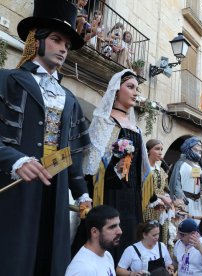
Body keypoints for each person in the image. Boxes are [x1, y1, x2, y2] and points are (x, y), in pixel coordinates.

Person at [0, 1, 91, 275]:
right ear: (35, 40)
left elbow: (71, 153)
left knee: (47, 257)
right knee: (13, 256)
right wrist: (14, 161)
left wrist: (82, 192)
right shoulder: (6, 80)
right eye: (55, 39)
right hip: (13, 187)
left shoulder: (70, 99)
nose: (64, 48)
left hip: (54, 190)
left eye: (66, 43)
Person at [83, 69, 151, 262]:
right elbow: (92, 166)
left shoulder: (135, 127)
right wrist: (114, 168)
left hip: (133, 196)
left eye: (137, 88)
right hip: (111, 195)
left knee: (130, 241)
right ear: (115, 90)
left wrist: (152, 196)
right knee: (113, 244)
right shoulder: (104, 121)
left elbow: (141, 167)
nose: (135, 93)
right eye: (130, 87)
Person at [65, 205, 122, 276]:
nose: (120, 231)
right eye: (112, 227)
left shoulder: (107, 255)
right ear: (94, 232)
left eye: (118, 225)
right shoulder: (82, 269)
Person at [143, 139, 173, 248]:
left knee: (160, 239)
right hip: (147, 208)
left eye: (161, 149)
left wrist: (168, 200)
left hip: (160, 210)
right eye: (157, 149)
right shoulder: (144, 169)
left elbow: (165, 188)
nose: (160, 152)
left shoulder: (161, 170)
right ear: (148, 151)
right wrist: (161, 198)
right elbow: (143, 190)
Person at [169, 137, 202, 221]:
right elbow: (176, 183)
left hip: (197, 202)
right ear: (188, 149)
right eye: (195, 150)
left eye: (200, 151)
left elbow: (201, 184)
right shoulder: (181, 164)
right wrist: (181, 197)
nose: (198, 153)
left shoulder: (199, 166)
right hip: (185, 201)